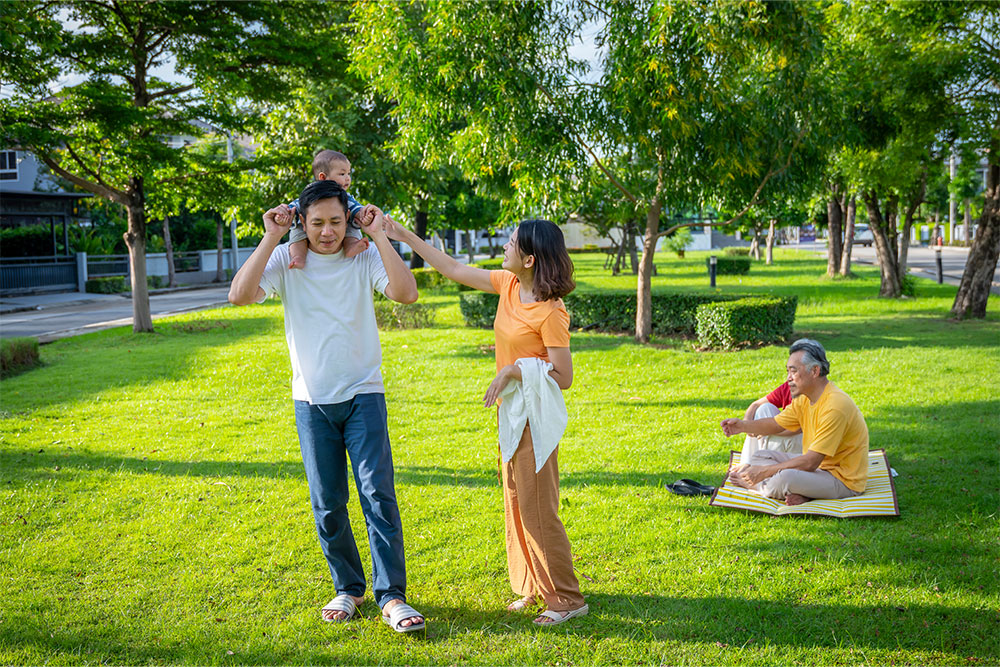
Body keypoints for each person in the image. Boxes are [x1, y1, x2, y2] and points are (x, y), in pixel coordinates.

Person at [228, 180, 424, 633]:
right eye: (317, 223)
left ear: (347, 217)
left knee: (378, 495)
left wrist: (378, 235)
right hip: (312, 401)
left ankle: (392, 596)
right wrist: (270, 236)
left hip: (363, 393)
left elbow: (406, 293)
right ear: (302, 221)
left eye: (336, 221)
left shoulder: (363, 256)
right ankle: (349, 588)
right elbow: (239, 295)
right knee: (328, 503)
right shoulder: (285, 259)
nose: (328, 231)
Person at [383, 215, 588, 626]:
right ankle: (533, 586)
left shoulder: (551, 312)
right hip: (511, 414)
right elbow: (454, 268)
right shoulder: (508, 285)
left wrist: (515, 369)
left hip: (535, 416)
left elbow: (564, 377)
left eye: (512, 243)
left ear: (529, 259)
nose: (505, 246)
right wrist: (404, 236)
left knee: (536, 508)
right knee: (515, 502)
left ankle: (566, 598)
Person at [720, 339, 869, 506]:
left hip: (843, 480)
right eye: (788, 371)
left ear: (815, 371)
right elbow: (775, 424)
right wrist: (742, 426)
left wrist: (764, 472)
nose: (788, 378)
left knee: (786, 477)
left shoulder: (835, 406)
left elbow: (811, 461)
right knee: (760, 456)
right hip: (818, 470)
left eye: (793, 371)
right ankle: (804, 493)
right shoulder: (805, 399)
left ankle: (756, 487)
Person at [283, 150, 369, 269]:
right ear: (323, 177)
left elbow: (356, 207)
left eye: (349, 173)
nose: (348, 179)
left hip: (344, 228)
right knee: (297, 233)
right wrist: (285, 213)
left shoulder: (344, 196)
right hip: (306, 228)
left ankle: (351, 246)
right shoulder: (311, 192)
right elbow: (296, 205)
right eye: (342, 174)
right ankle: (298, 257)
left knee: (351, 227)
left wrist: (362, 214)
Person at [740, 381, 803, 460]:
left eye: (793, 371)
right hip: (784, 435)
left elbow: (798, 429)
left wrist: (765, 430)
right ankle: (748, 460)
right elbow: (755, 404)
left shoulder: (810, 392)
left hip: (803, 444)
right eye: (788, 371)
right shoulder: (789, 386)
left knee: (770, 433)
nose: (789, 376)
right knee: (764, 408)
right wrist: (746, 424)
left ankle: (761, 463)